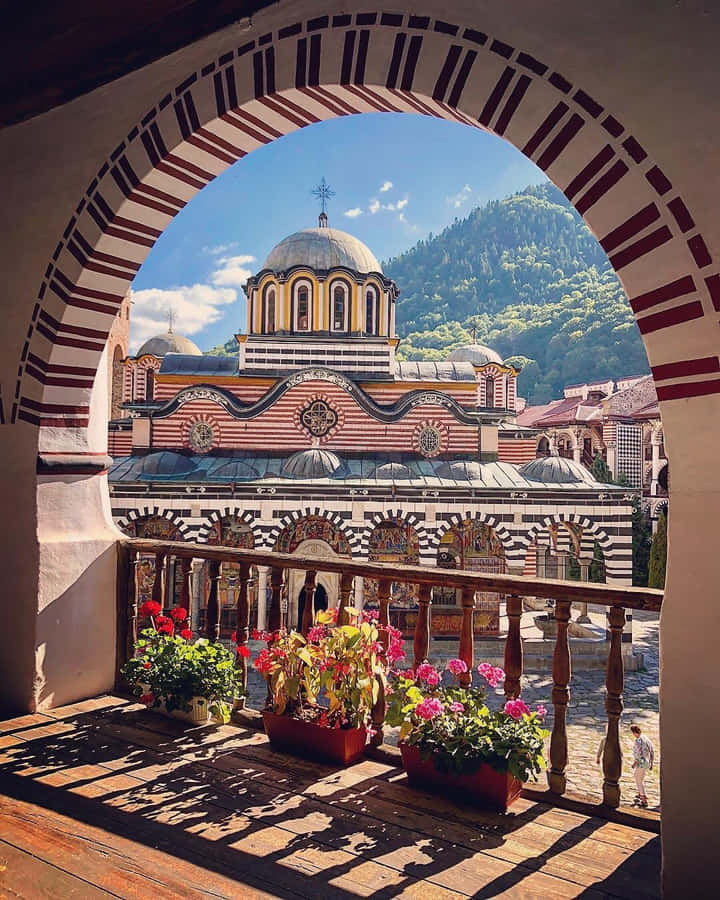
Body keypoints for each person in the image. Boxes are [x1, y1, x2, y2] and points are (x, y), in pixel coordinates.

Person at [630, 724, 655, 807]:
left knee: (638, 779)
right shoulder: (646, 738)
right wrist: (652, 762)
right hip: (647, 762)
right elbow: (652, 750)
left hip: (641, 762)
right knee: (640, 778)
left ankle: (643, 799)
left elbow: (639, 753)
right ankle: (640, 792)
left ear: (634, 732)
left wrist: (635, 763)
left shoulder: (638, 741)